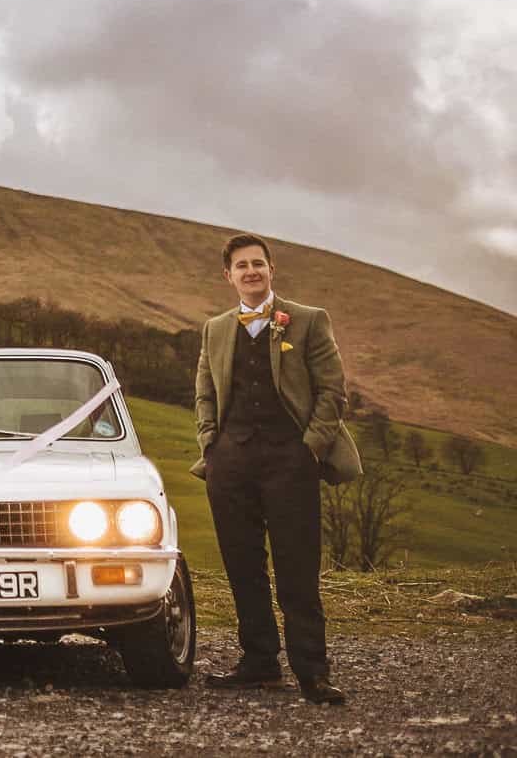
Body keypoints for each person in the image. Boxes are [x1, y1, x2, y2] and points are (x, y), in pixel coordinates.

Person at [192, 232, 361, 705]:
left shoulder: (307, 321)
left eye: (258, 264)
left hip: (291, 461)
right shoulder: (215, 328)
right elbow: (205, 392)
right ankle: (260, 663)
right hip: (230, 463)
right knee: (243, 566)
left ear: (271, 270)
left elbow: (333, 392)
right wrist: (211, 442)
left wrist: (310, 447)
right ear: (228, 276)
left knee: (297, 569)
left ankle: (313, 672)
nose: (251, 272)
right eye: (241, 266)